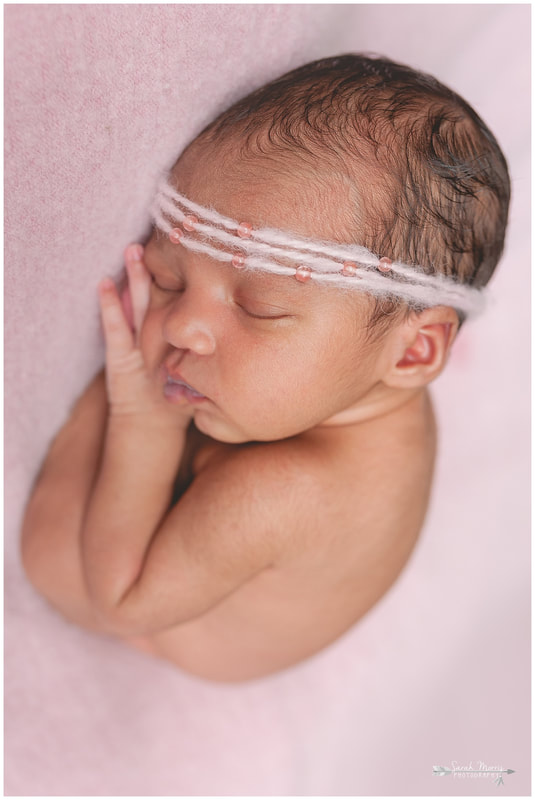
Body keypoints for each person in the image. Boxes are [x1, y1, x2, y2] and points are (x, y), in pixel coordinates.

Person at [20, 54, 510, 682]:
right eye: (169, 277)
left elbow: (119, 604)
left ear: (417, 351)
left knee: (53, 563)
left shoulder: (278, 494)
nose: (181, 326)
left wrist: (142, 417)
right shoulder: (371, 361)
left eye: (260, 309)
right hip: (240, 523)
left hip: (167, 620)